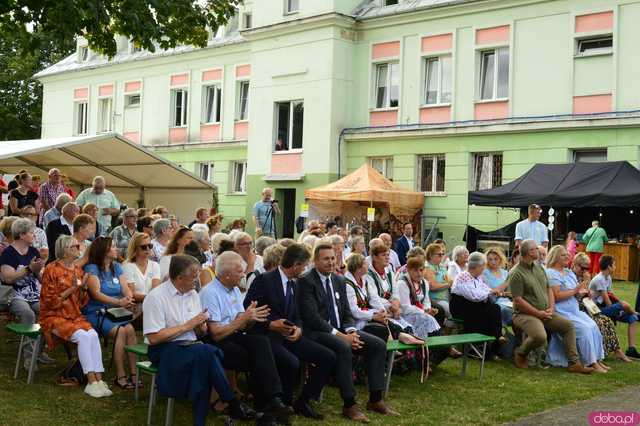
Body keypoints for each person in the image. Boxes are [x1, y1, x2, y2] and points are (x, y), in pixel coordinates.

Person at [143, 255, 257, 426]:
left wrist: (201, 327)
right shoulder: (156, 297)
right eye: (194, 276)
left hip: (191, 347)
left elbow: (199, 332)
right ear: (180, 277)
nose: (197, 280)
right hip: (164, 349)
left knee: (204, 360)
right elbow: (154, 338)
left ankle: (217, 411)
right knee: (207, 353)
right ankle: (231, 402)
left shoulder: (193, 295)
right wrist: (188, 325)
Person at [297, 241, 397, 422]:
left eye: (332, 258)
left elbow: (346, 313)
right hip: (317, 333)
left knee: (378, 345)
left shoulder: (339, 279)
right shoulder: (306, 281)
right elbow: (312, 318)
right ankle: (349, 404)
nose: (330, 262)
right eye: (325, 259)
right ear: (315, 261)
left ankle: (375, 399)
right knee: (343, 347)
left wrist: (351, 331)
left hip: (342, 330)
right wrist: (344, 337)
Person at [244, 244, 337, 419]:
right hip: (266, 337)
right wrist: (270, 324)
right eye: (305, 265)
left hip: (289, 336)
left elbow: (297, 314)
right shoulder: (265, 280)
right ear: (295, 265)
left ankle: (302, 402)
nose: (306, 269)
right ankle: (281, 405)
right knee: (291, 362)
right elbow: (249, 311)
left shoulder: (295, 284)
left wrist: (299, 329)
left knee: (328, 357)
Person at [200, 251, 293, 424]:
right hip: (216, 341)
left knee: (261, 342)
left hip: (233, 335)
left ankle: (272, 398)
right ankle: (266, 403)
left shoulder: (234, 289)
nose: (243, 275)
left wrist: (251, 319)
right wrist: (243, 319)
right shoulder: (209, 293)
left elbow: (240, 323)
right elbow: (216, 334)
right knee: (253, 357)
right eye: (239, 272)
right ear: (227, 275)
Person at [40, 235, 111, 397]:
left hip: (74, 315)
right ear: (65, 251)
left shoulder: (78, 271)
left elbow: (81, 303)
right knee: (83, 337)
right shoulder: (51, 269)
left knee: (93, 335)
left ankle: (99, 380)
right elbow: (50, 302)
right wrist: (72, 289)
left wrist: (84, 289)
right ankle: (91, 381)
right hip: (53, 316)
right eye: (75, 247)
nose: (79, 249)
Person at [509, 239, 592, 373]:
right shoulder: (516, 273)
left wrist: (551, 308)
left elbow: (548, 289)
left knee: (568, 326)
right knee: (540, 336)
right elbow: (518, 300)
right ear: (530, 252)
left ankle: (574, 363)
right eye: (536, 249)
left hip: (545, 312)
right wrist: (538, 313)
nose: (539, 250)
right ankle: (520, 353)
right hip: (524, 314)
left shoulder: (539, 268)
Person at [82, 236, 139, 389]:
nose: (116, 249)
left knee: (130, 330)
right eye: (112, 246)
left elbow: (125, 286)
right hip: (97, 312)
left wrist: (128, 297)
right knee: (121, 331)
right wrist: (119, 302)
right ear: (104, 251)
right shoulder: (92, 268)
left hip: (116, 311)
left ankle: (134, 374)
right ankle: (120, 375)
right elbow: (96, 293)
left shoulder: (116, 266)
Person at [544, 246, 607, 372]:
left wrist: (583, 291)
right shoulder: (551, 273)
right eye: (563, 255)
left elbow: (576, 294)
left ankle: (597, 360)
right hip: (561, 311)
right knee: (584, 330)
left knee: (593, 326)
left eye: (567, 255)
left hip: (574, 310)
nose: (567, 257)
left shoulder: (568, 272)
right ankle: (591, 363)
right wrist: (575, 290)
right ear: (555, 257)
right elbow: (556, 296)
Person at [0, 218, 50, 368]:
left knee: (47, 311)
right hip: (14, 294)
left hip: (33, 293)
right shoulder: (8, 253)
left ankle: (39, 352)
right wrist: (29, 269)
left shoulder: (34, 251)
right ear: (21, 235)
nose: (34, 235)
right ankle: (29, 357)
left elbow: (39, 277)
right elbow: (8, 278)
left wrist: (40, 272)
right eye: (31, 232)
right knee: (28, 313)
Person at [571, 253, 631, 362]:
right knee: (601, 322)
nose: (585, 271)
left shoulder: (582, 277)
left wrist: (586, 285)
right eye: (583, 268)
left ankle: (616, 351)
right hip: (577, 309)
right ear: (575, 265)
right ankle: (598, 356)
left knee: (606, 321)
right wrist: (586, 282)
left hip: (588, 307)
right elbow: (578, 296)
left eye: (587, 268)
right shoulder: (571, 277)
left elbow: (587, 297)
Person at [450, 252, 505, 359]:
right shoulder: (463, 276)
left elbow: (483, 288)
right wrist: (489, 293)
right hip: (461, 308)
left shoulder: (477, 278)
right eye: (483, 266)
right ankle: (492, 344)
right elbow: (474, 296)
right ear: (478, 266)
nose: (484, 269)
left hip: (472, 306)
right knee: (489, 314)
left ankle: (495, 340)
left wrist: (492, 291)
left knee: (495, 308)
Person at [589, 255, 640, 359]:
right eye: (614, 264)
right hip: (597, 310)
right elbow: (608, 302)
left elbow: (611, 296)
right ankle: (635, 312)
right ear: (609, 266)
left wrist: (619, 309)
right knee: (623, 305)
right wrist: (619, 308)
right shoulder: (599, 279)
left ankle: (631, 349)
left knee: (632, 319)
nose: (615, 266)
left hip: (607, 307)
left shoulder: (608, 278)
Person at [394, 256, 444, 338]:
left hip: (419, 313)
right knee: (429, 319)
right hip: (405, 316)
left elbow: (426, 301)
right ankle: (444, 348)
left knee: (433, 316)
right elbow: (405, 308)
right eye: (415, 270)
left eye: (421, 270)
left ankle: (438, 348)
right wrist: (423, 311)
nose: (419, 273)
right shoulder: (402, 283)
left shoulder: (424, 282)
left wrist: (428, 309)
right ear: (409, 270)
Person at [122, 233, 161, 304]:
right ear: (135, 248)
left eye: (150, 246)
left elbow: (156, 290)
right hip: (134, 305)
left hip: (152, 304)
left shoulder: (155, 265)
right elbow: (131, 293)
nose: (148, 249)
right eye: (144, 247)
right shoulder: (128, 266)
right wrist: (151, 298)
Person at [481, 246, 513, 326]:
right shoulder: (484, 273)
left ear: (500, 259)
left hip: (508, 301)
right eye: (490, 259)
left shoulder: (505, 273)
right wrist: (505, 284)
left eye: (496, 259)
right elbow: (491, 291)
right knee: (504, 309)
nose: (493, 262)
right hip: (493, 302)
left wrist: (503, 293)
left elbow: (511, 292)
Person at [424, 243, 453, 326]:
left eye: (443, 254)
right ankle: (446, 334)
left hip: (446, 298)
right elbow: (433, 286)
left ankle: (447, 332)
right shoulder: (427, 267)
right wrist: (447, 285)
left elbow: (449, 280)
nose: (442, 256)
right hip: (435, 299)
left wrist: (448, 283)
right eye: (439, 254)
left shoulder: (441, 266)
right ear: (430, 255)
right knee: (451, 313)